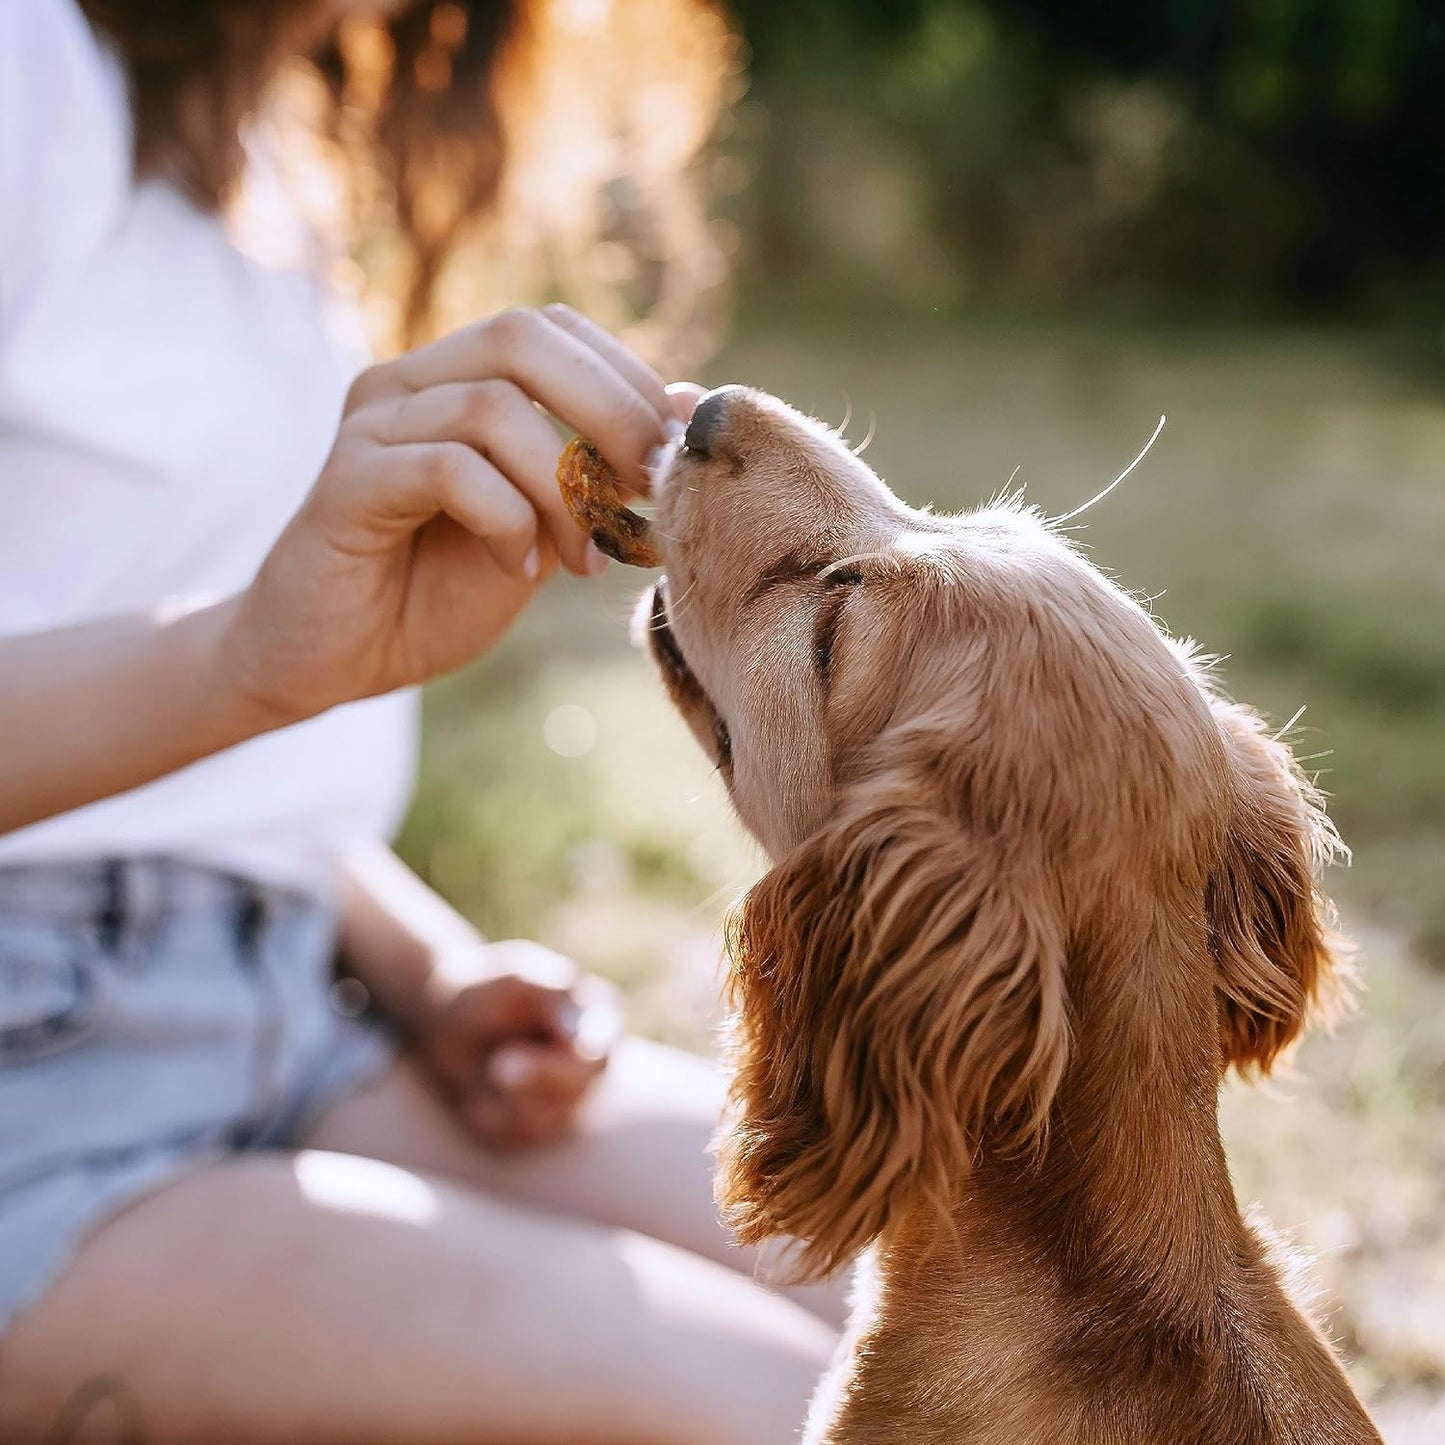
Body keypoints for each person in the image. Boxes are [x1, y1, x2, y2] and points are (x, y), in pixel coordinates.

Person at [0, 1, 842, 1440]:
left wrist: (426, 968)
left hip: (289, 1022)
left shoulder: (281, 155)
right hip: (37, 1095)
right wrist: (250, 659)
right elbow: (210, 675)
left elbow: (186, 787)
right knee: (791, 1411)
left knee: (1003, 1294)